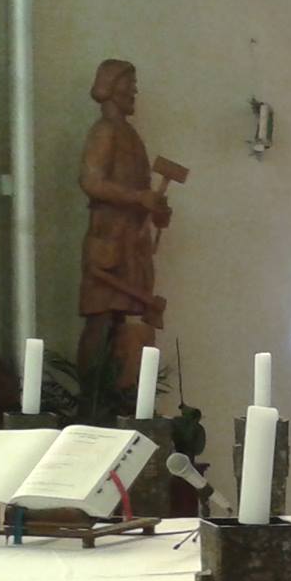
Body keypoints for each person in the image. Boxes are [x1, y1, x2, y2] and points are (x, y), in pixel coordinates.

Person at [77, 58, 172, 376]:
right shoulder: (104, 131)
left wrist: (156, 209)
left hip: (131, 245)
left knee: (123, 325)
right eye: (129, 84)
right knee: (101, 319)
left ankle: (121, 393)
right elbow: (91, 181)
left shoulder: (130, 135)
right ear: (111, 87)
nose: (134, 91)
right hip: (109, 242)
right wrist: (138, 198)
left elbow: (138, 193)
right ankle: (92, 397)